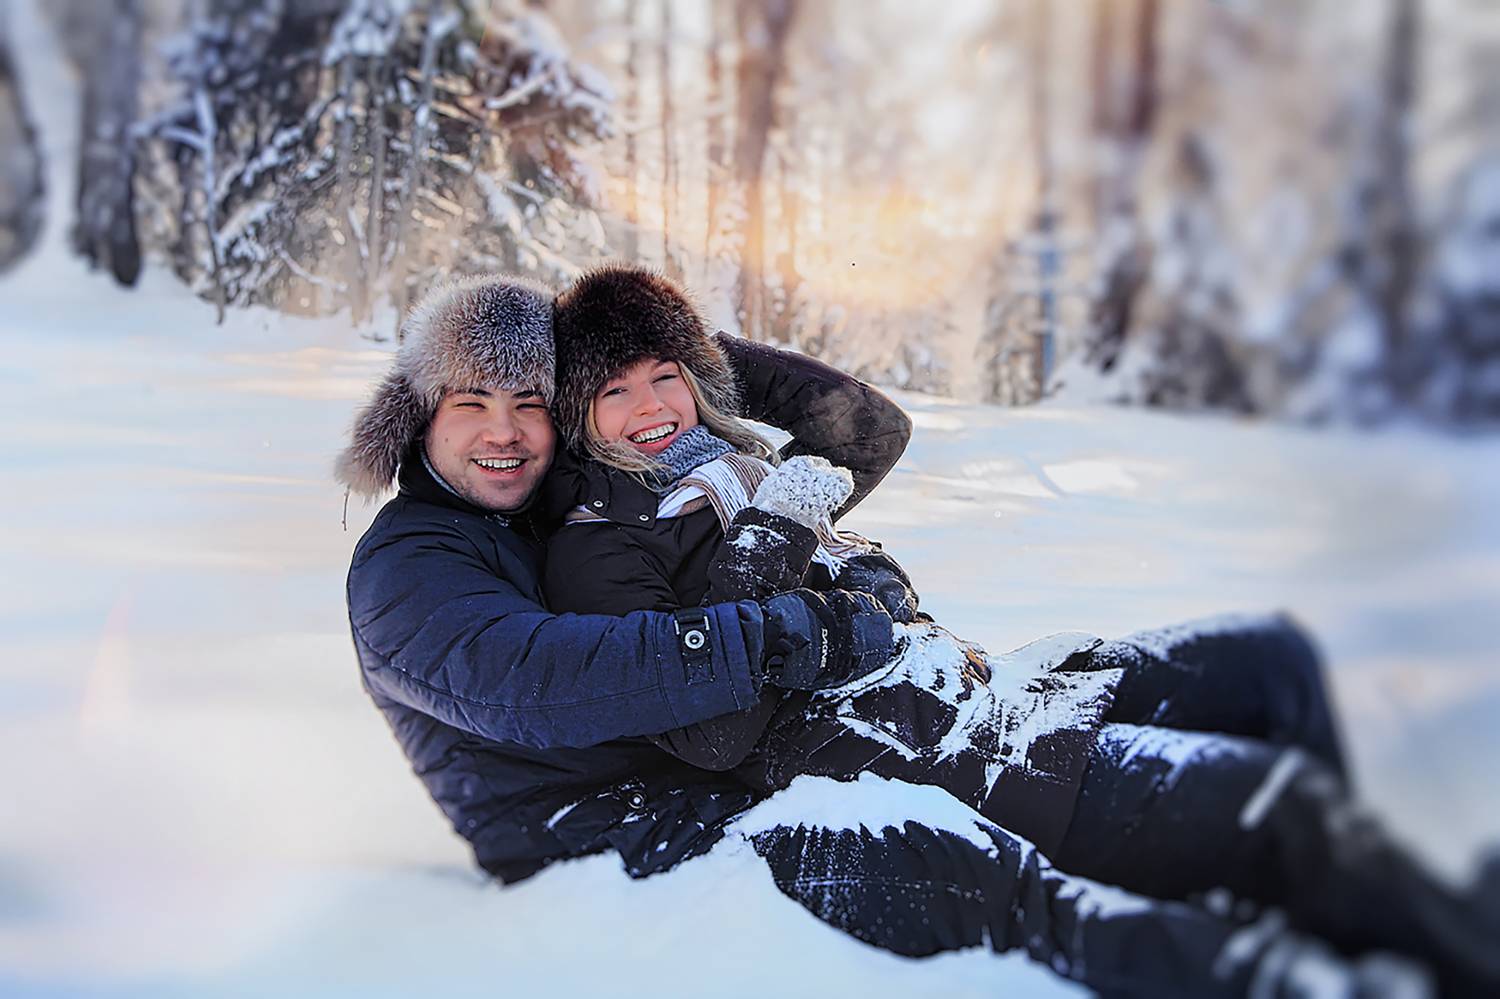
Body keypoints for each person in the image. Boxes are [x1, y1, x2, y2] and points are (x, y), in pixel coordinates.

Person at [536, 263, 1500, 997]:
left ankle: (1370, 913)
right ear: (578, 414)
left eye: (665, 376)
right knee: (1280, 807)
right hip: (944, 756)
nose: (650, 408)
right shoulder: (600, 545)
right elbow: (709, 732)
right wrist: (778, 534)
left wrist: (708, 360)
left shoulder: (733, 463)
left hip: (988, 687)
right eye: (615, 390)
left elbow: (870, 429)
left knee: (1272, 661)